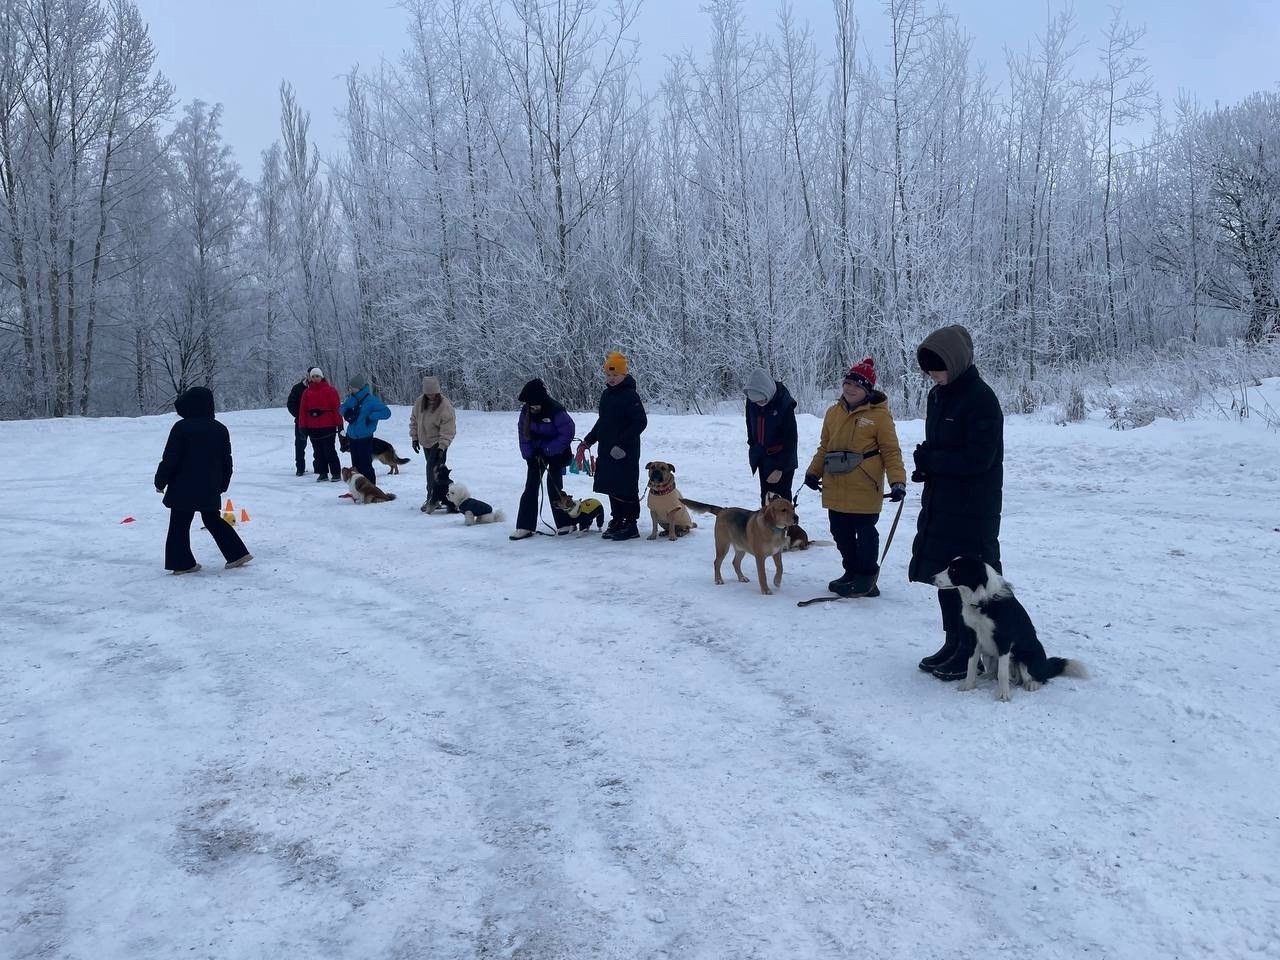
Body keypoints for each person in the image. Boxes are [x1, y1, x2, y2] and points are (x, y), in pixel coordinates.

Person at [907, 324, 1004, 680]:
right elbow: (943, 447)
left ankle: (972, 649)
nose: (932, 376)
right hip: (943, 501)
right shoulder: (939, 396)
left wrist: (934, 461)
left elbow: (979, 459)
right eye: (929, 370)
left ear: (956, 361)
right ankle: (953, 641)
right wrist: (925, 463)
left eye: (938, 368)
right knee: (946, 577)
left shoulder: (981, 399)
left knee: (972, 583)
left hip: (972, 508)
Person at [803, 358, 906, 598]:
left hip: (865, 486)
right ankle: (851, 572)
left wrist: (897, 482)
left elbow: (891, 451)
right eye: (847, 383)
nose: (850, 389)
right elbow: (825, 446)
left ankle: (867, 579)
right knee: (840, 532)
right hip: (835, 485)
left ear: (867, 390)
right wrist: (813, 472)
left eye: (857, 386)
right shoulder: (832, 413)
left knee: (866, 533)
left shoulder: (880, 417)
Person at [154, 386, 252, 575]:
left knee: (179, 523)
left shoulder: (181, 428)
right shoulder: (220, 429)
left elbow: (170, 458)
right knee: (212, 518)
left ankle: (182, 563)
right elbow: (226, 460)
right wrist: (223, 483)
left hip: (182, 486)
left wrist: (160, 480)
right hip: (210, 485)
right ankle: (237, 553)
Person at [576, 351, 647, 541]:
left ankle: (630, 523)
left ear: (624, 374)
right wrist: (588, 440)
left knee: (626, 486)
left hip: (625, 451)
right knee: (611, 485)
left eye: (615, 374)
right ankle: (617, 519)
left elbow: (640, 422)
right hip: (607, 450)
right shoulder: (606, 395)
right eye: (608, 374)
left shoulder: (630, 395)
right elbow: (603, 422)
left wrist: (622, 444)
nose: (611, 378)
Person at [510, 378, 576, 540]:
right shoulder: (526, 412)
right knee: (531, 486)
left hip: (556, 452)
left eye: (535, 406)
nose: (533, 409)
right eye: (530, 406)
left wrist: (548, 449)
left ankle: (565, 523)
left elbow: (567, 433)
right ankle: (525, 526)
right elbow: (523, 435)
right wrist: (529, 455)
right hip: (536, 453)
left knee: (554, 486)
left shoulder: (555, 410)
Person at [743, 367, 798, 506]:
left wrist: (780, 468)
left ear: (768, 393)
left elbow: (791, 439)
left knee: (782, 502)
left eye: (762, 401)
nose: (758, 404)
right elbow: (750, 424)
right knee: (766, 499)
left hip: (782, 458)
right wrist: (753, 445)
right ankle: (765, 521)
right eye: (755, 402)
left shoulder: (784, 403)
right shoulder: (752, 400)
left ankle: (786, 522)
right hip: (762, 456)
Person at [409, 374, 457, 512]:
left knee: (431, 470)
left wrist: (442, 447)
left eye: (433, 393)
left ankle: (432, 498)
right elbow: (414, 420)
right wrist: (414, 438)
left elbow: (448, 429)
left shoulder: (445, 406)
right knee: (438, 473)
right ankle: (447, 496)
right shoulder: (419, 402)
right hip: (425, 442)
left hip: (438, 442)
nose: (431, 396)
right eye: (428, 394)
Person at [340, 374, 391, 484]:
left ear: (358, 387)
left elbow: (387, 413)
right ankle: (358, 487)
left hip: (365, 437)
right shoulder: (352, 399)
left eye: (351, 387)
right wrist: (346, 412)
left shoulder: (371, 400)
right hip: (352, 437)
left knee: (365, 464)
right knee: (355, 465)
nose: (350, 389)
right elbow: (342, 408)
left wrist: (371, 416)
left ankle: (370, 486)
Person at [296, 367, 343, 482]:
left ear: (321, 377)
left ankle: (336, 473)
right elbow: (302, 411)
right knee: (317, 451)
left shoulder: (331, 391)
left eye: (317, 376)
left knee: (329, 450)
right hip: (312, 427)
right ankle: (323, 473)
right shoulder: (307, 392)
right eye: (313, 376)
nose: (315, 378)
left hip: (328, 426)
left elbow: (337, 408)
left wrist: (339, 424)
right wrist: (302, 426)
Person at [285, 369, 318, 476]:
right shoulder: (298, 388)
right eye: (311, 375)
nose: (313, 378)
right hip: (301, 423)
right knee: (300, 445)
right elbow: (290, 404)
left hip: (316, 423)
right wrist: (299, 415)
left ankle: (318, 467)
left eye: (316, 375)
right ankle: (300, 468)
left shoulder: (319, 388)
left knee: (317, 445)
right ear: (307, 376)